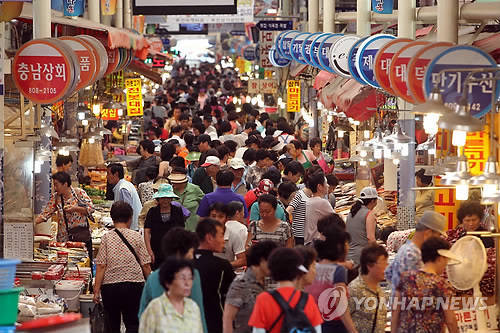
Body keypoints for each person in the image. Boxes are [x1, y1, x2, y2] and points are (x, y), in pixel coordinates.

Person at [93, 201, 152, 333]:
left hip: (110, 287)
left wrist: (96, 290)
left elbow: (101, 266)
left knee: (112, 324)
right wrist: (152, 286)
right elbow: (146, 265)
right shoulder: (137, 236)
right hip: (134, 285)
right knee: (132, 323)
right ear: (130, 218)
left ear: (112, 218)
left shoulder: (107, 237)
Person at [139, 227, 207, 333]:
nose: (192, 256)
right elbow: (200, 314)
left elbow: (142, 314)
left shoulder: (153, 277)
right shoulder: (193, 275)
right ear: (181, 252)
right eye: (191, 252)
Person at [391, 237, 459, 333]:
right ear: (440, 259)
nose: (446, 264)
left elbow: (395, 312)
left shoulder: (405, 278)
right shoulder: (441, 285)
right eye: (446, 260)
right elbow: (450, 320)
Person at [248, 247, 323, 333]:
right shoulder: (308, 299)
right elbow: (317, 330)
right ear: (298, 270)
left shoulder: (263, 299)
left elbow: (258, 331)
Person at [35, 172, 95, 265]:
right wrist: (32, 223)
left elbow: (91, 209)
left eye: (56, 185)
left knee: (84, 264)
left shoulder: (78, 193)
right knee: (65, 265)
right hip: (64, 240)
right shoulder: (56, 197)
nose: (55, 188)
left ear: (65, 184)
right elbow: (45, 214)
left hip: (81, 237)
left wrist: (75, 209)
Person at [306, 228, 357, 333]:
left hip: (313, 323)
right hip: (333, 326)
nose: (348, 247)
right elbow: (340, 305)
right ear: (338, 247)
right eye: (346, 244)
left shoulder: (314, 267)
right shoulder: (337, 270)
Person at [385, 210, 446, 294]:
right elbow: (415, 289)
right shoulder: (413, 255)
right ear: (428, 233)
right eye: (438, 235)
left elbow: (388, 273)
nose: (438, 239)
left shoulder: (405, 248)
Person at [223, 241, 279, 333]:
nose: (275, 266)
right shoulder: (241, 283)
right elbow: (228, 318)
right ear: (261, 260)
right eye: (272, 261)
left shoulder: (265, 282)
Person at [446, 200, 495, 298]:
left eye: (474, 220)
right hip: (460, 276)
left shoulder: (486, 236)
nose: (471, 224)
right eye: (467, 220)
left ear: (480, 219)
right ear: (462, 221)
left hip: (480, 278)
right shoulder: (457, 235)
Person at [139, 257, 203, 333]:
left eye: (190, 278)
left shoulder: (193, 307)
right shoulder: (155, 308)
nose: (187, 283)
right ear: (168, 282)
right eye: (182, 278)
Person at [194, 218, 236, 333]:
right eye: (221, 235)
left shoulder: (184, 263)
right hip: (216, 321)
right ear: (209, 238)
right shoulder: (221, 266)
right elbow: (235, 292)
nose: (223, 240)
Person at [348, 243, 389, 333]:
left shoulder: (378, 288)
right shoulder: (355, 289)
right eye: (383, 263)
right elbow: (343, 318)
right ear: (369, 265)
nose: (386, 267)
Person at [144, 184, 185, 270]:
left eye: (167, 197)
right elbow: (147, 231)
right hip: (156, 250)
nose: (165, 200)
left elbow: (182, 231)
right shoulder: (152, 212)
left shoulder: (177, 211)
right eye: (162, 198)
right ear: (158, 199)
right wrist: (149, 250)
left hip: (174, 250)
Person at [346, 187, 380, 265]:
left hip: (348, 256)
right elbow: (370, 238)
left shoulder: (351, 213)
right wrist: (379, 252)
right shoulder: (369, 214)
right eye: (376, 200)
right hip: (362, 256)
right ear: (373, 201)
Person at [107, 163, 143, 231]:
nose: (107, 177)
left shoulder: (123, 188)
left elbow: (127, 211)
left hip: (132, 228)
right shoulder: (124, 185)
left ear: (116, 174)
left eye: (108, 173)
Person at [304, 171, 334, 246]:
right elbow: (336, 219)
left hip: (308, 242)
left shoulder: (309, 200)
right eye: (326, 183)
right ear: (319, 187)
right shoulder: (322, 202)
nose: (328, 185)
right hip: (317, 243)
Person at [217, 201, 248, 269]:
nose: (244, 214)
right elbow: (242, 251)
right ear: (237, 213)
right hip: (235, 266)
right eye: (243, 212)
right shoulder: (242, 228)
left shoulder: (223, 226)